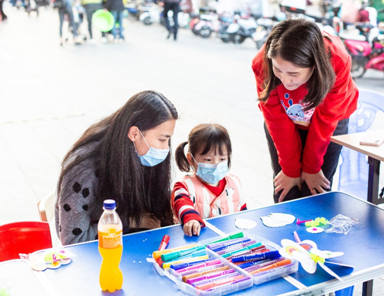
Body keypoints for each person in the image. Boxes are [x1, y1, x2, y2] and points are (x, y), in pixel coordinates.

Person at [251, 19, 358, 204]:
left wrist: (311, 168)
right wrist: (291, 170)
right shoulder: (263, 61)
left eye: (294, 74)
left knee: (315, 190)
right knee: (286, 189)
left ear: (314, 66)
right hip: (284, 121)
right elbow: (276, 119)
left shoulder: (336, 60)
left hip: (330, 122)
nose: (285, 81)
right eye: (278, 70)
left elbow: (327, 118)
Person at [55, 90, 178, 245]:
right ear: (134, 134)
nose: (166, 149)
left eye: (168, 139)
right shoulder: (83, 170)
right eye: (162, 140)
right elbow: (73, 240)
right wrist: (131, 222)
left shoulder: (136, 154)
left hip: (132, 241)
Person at [172, 123, 247, 236]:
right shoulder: (184, 186)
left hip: (229, 243)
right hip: (196, 244)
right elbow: (181, 202)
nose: (216, 164)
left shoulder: (235, 183)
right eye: (208, 160)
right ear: (190, 159)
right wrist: (191, 218)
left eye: (222, 159)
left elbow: (243, 212)